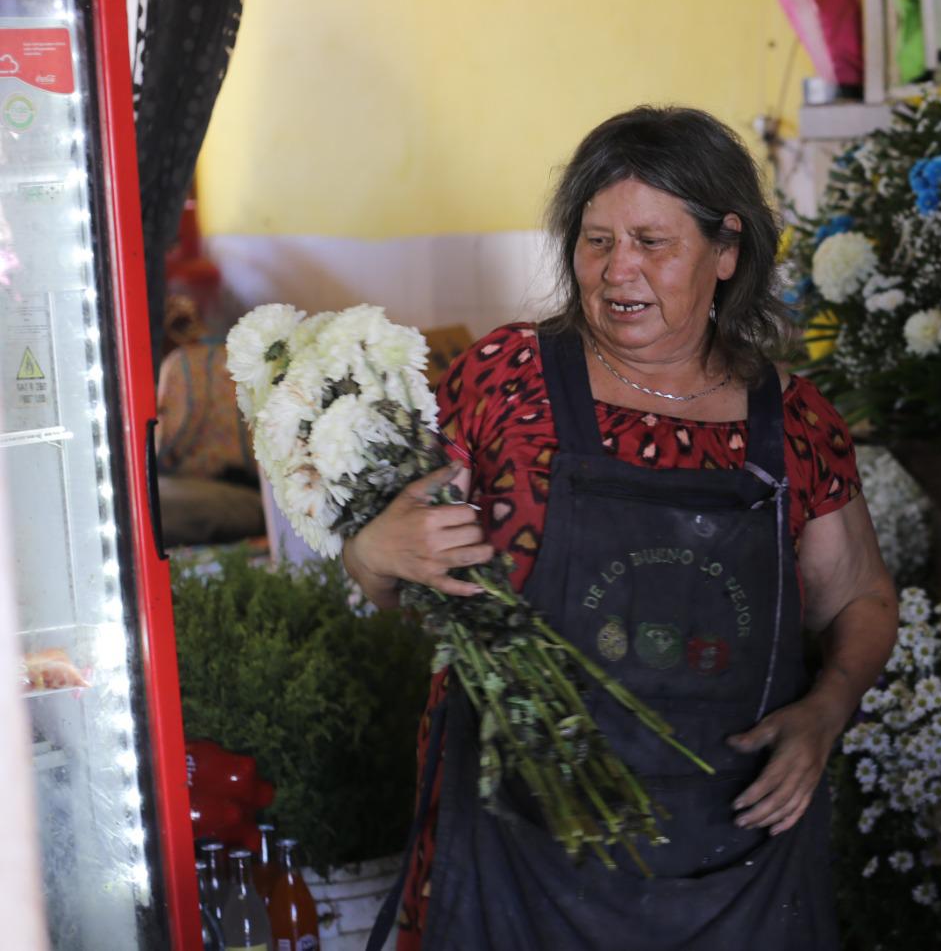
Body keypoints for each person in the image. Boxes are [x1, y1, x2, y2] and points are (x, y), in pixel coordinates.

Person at [343, 105, 899, 950]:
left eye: (651, 240)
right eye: (596, 240)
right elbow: (392, 569)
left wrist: (828, 708)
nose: (616, 270)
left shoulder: (793, 420)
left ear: (727, 251)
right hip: (518, 844)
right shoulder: (506, 378)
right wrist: (371, 549)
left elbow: (858, 595)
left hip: (733, 853)